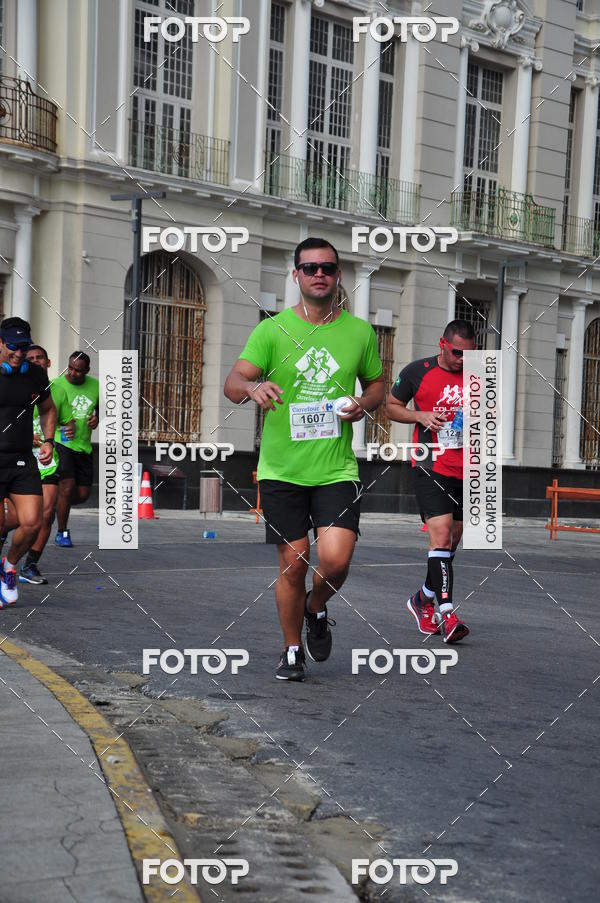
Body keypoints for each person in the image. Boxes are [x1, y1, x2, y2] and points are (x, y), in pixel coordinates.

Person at [224, 238, 385, 681]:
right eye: (310, 267)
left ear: (337, 277)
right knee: (293, 564)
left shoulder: (359, 332)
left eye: (328, 268)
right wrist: (253, 388)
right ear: (296, 275)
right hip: (282, 470)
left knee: (335, 561)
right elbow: (234, 381)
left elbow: (377, 386)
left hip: (335, 468)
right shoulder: (271, 330)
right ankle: (292, 649)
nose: (320, 274)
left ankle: (317, 608)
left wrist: (364, 403)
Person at [386, 320, 476, 643]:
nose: (462, 360)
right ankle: (447, 614)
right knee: (439, 537)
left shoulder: (478, 375)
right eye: (456, 353)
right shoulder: (417, 372)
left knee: (451, 541)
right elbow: (391, 406)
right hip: (429, 465)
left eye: (469, 354)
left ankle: (422, 598)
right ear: (442, 344)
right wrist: (420, 416)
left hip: (466, 469)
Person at [0, 318, 56, 609]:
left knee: (34, 522)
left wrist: (49, 441)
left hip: (22, 457)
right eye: (13, 347)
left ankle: (9, 567)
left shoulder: (35, 375)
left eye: (23, 348)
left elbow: (48, 409)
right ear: (0, 342)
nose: (19, 354)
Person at [17, 345, 74, 583]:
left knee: (46, 514)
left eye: (40, 357)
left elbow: (67, 424)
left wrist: (66, 430)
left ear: (48, 362)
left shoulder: (58, 390)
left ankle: (30, 566)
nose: (36, 361)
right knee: (14, 519)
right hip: (16, 458)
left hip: (46, 461)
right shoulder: (14, 385)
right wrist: (24, 435)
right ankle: (8, 561)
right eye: (31, 358)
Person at [53, 352, 99, 547]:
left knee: (82, 494)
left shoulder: (96, 386)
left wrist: (96, 419)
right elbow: (43, 414)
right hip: (61, 442)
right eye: (70, 367)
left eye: (78, 370)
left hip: (84, 446)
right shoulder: (56, 385)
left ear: (86, 371)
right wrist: (58, 427)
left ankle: (52, 500)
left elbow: (99, 410)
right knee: (67, 486)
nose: (73, 373)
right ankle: (62, 532)